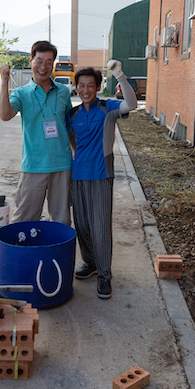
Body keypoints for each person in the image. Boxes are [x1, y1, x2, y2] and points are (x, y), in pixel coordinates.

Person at [0, 41, 73, 277]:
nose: (44, 66)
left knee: (61, 221)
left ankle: (55, 267)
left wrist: (76, 153)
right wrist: (4, 81)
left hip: (62, 166)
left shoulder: (63, 92)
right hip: (33, 167)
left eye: (49, 62)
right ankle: (8, 261)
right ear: (31, 61)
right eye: (39, 61)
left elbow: (67, 127)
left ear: (53, 65)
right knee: (23, 219)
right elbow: (5, 115)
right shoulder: (21, 93)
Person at [66, 61, 138, 299]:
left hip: (101, 176)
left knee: (100, 227)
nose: (85, 90)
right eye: (81, 85)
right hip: (78, 177)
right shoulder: (73, 114)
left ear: (97, 87)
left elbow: (132, 104)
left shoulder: (109, 108)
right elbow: (72, 140)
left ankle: (105, 274)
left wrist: (120, 76)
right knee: (82, 225)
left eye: (90, 85)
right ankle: (91, 263)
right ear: (76, 87)